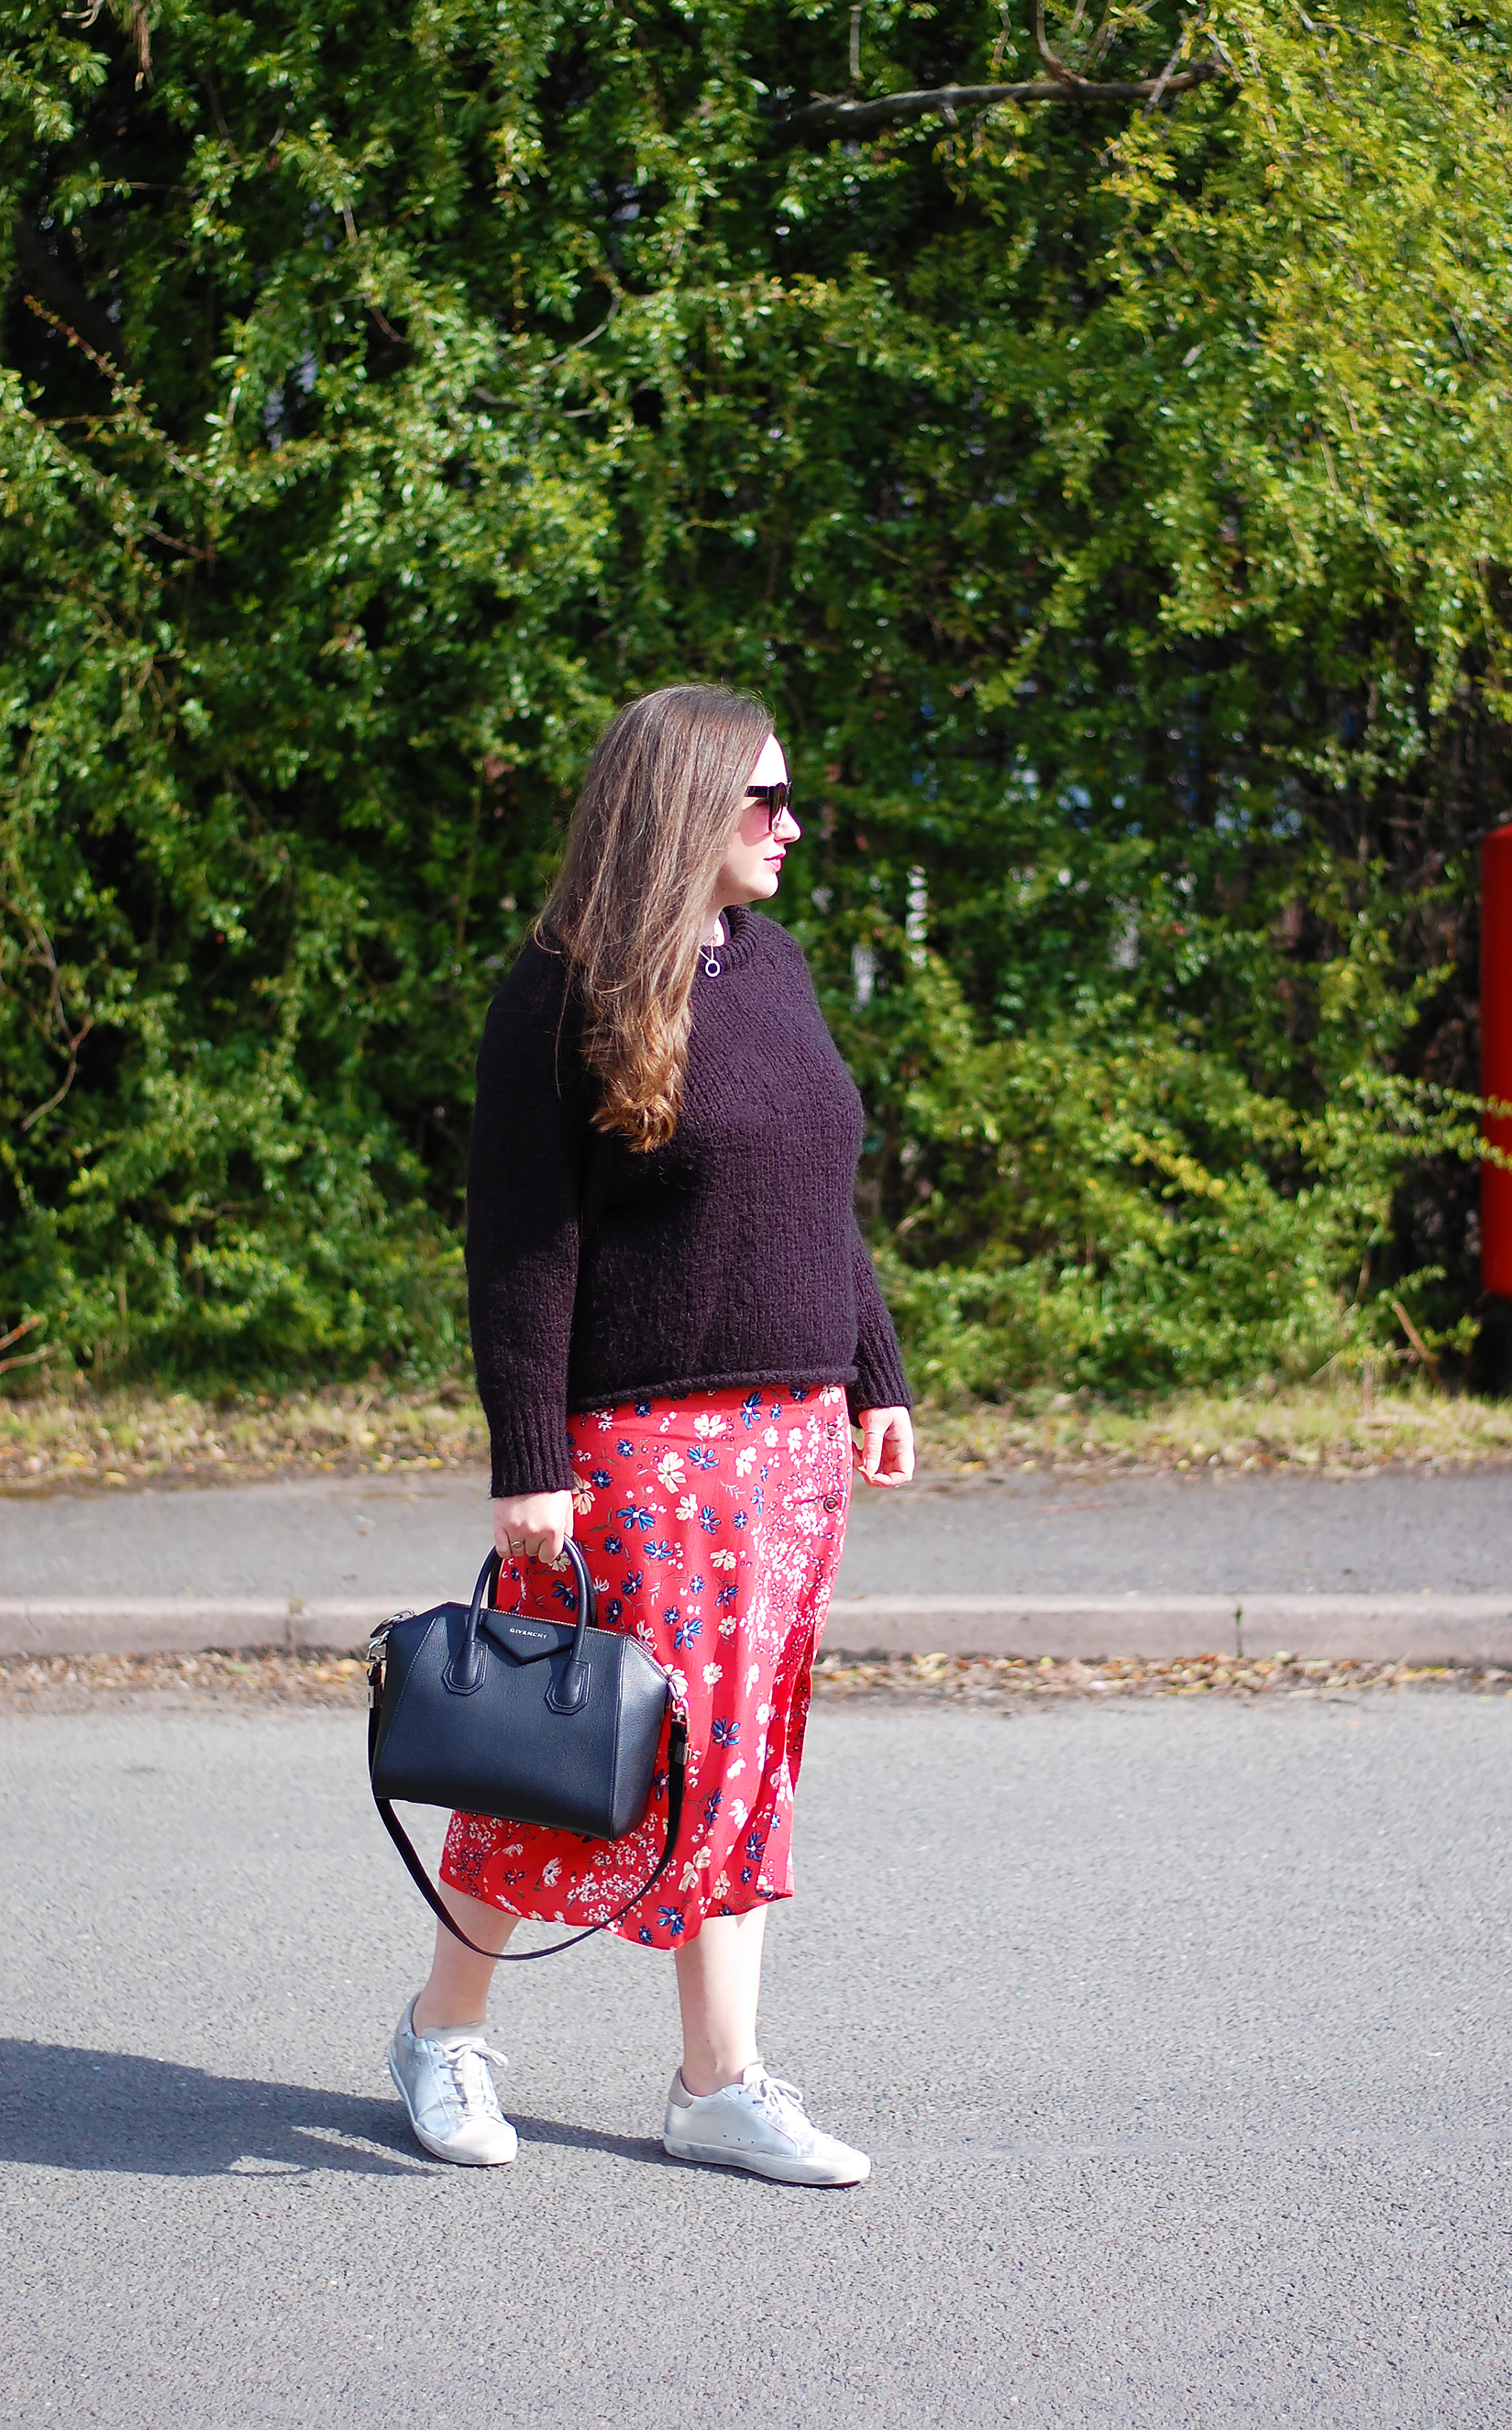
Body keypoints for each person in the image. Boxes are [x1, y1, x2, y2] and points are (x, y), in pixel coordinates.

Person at [386, 685, 915, 2187]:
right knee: (576, 1755)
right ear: (682, 808)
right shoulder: (561, 987)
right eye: (765, 803)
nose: (792, 827)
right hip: (640, 1450)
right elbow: (521, 1245)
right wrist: (526, 1458)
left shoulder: (780, 965)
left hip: (791, 1445)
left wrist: (873, 1375)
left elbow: (821, 1195)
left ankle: (718, 2084)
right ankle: (443, 2035)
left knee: (740, 1763)